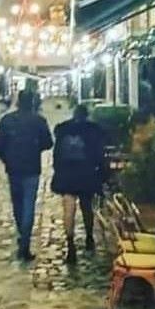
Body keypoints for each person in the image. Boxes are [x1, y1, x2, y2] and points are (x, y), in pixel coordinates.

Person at [0, 89, 53, 260]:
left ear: (18, 102)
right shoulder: (38, 121)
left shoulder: (7, 120)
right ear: (33, 102)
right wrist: (35, 147)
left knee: (17, 204)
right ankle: (25, 243)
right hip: (31, 167)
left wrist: (7, 158)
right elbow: (48, 143)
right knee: (29, 205)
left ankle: (23, 235)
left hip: (13, 167)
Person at [51, 104, 106, 263]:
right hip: (86, 173)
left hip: (66, 175)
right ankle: (89, 237)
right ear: (86, 115)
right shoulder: (93, 130)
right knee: (87, 207)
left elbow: (56, 154)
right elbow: (98, 155)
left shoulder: (63, 129)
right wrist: (101, 174)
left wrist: (58, 171)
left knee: (68, 210)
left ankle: (70, 244)